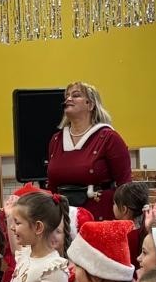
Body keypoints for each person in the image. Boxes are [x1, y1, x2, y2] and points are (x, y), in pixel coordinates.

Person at [47, 81, 133, 221]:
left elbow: (125, 185)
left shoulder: (109, 138)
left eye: (76, 95)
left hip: (100, 219)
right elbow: (51, 187)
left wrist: (126, 222)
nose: (68, 99)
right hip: (63, 221)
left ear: (91, 105)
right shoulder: (56, 140)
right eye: (67, 96)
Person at [112, 180, 150, 264]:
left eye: (114, 203)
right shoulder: (144, 230)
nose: (113, 206)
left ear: (124, 209)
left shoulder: (124, 235)